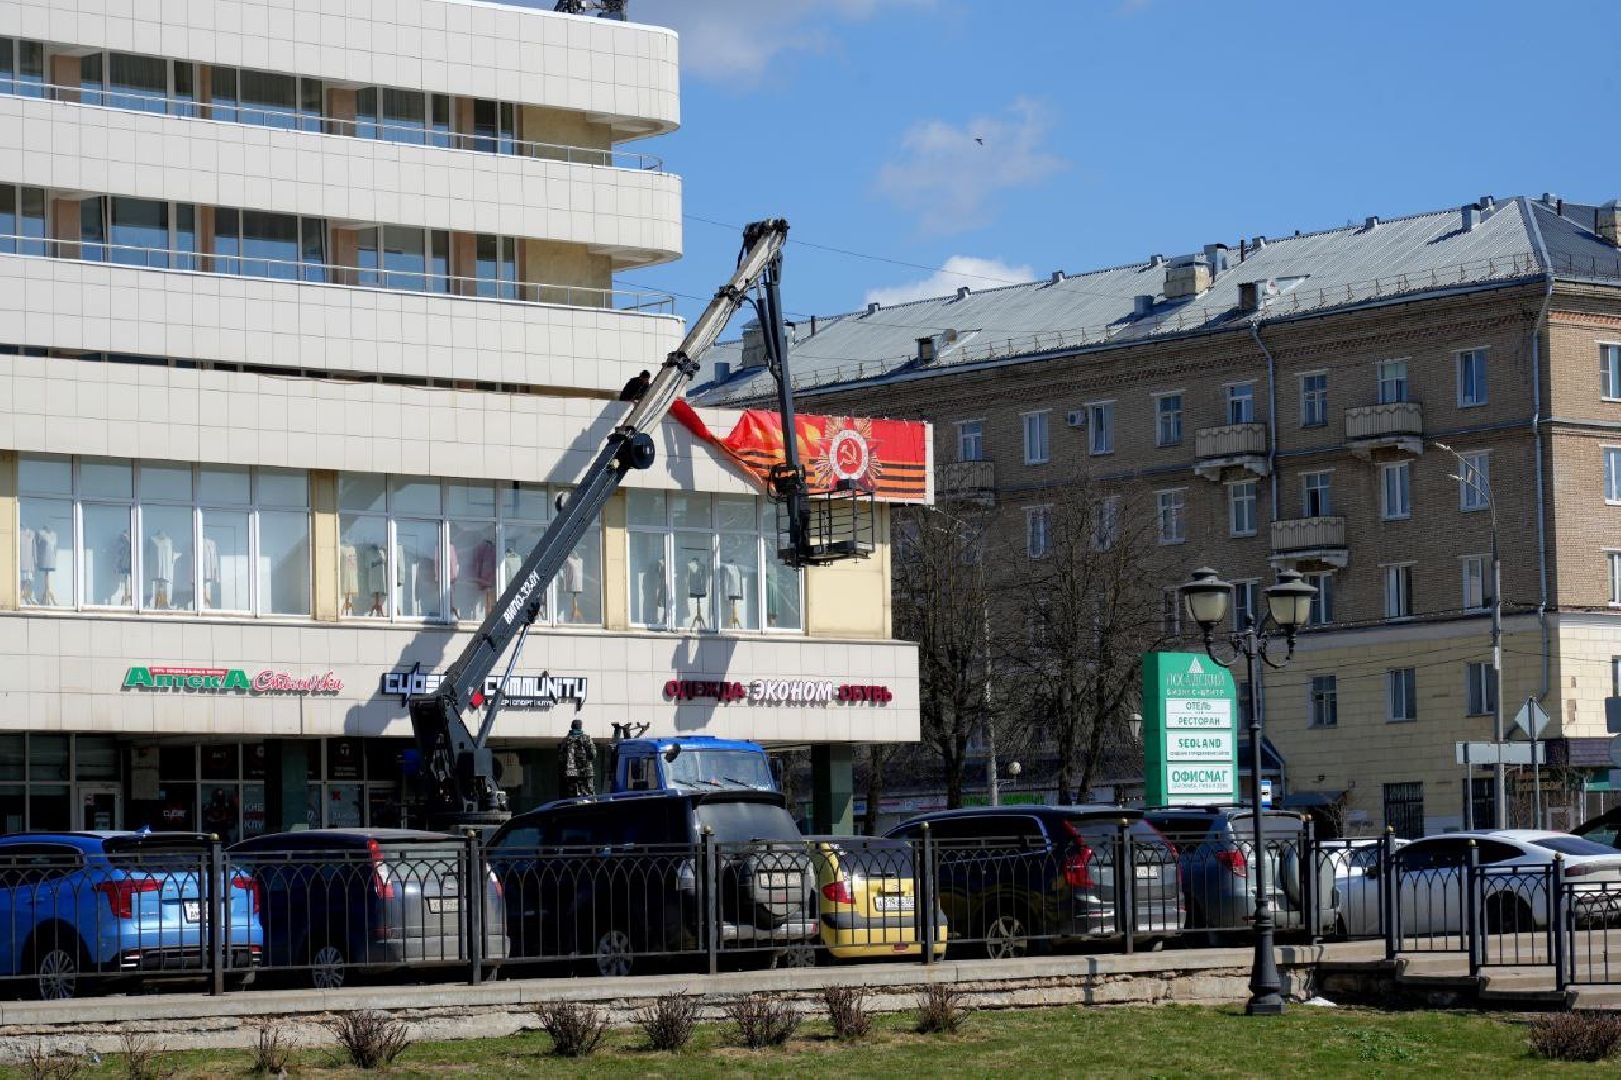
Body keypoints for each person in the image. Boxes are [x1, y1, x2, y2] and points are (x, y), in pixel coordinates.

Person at [561, 717, 596, 797]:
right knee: (589, 795)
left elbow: (562, 758)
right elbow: (593, 755)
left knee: (573, 796)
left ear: (572, 726)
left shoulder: (565, 740)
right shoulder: (586, 738)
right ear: (580, 726)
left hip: (571, 773)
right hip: (586, 772)